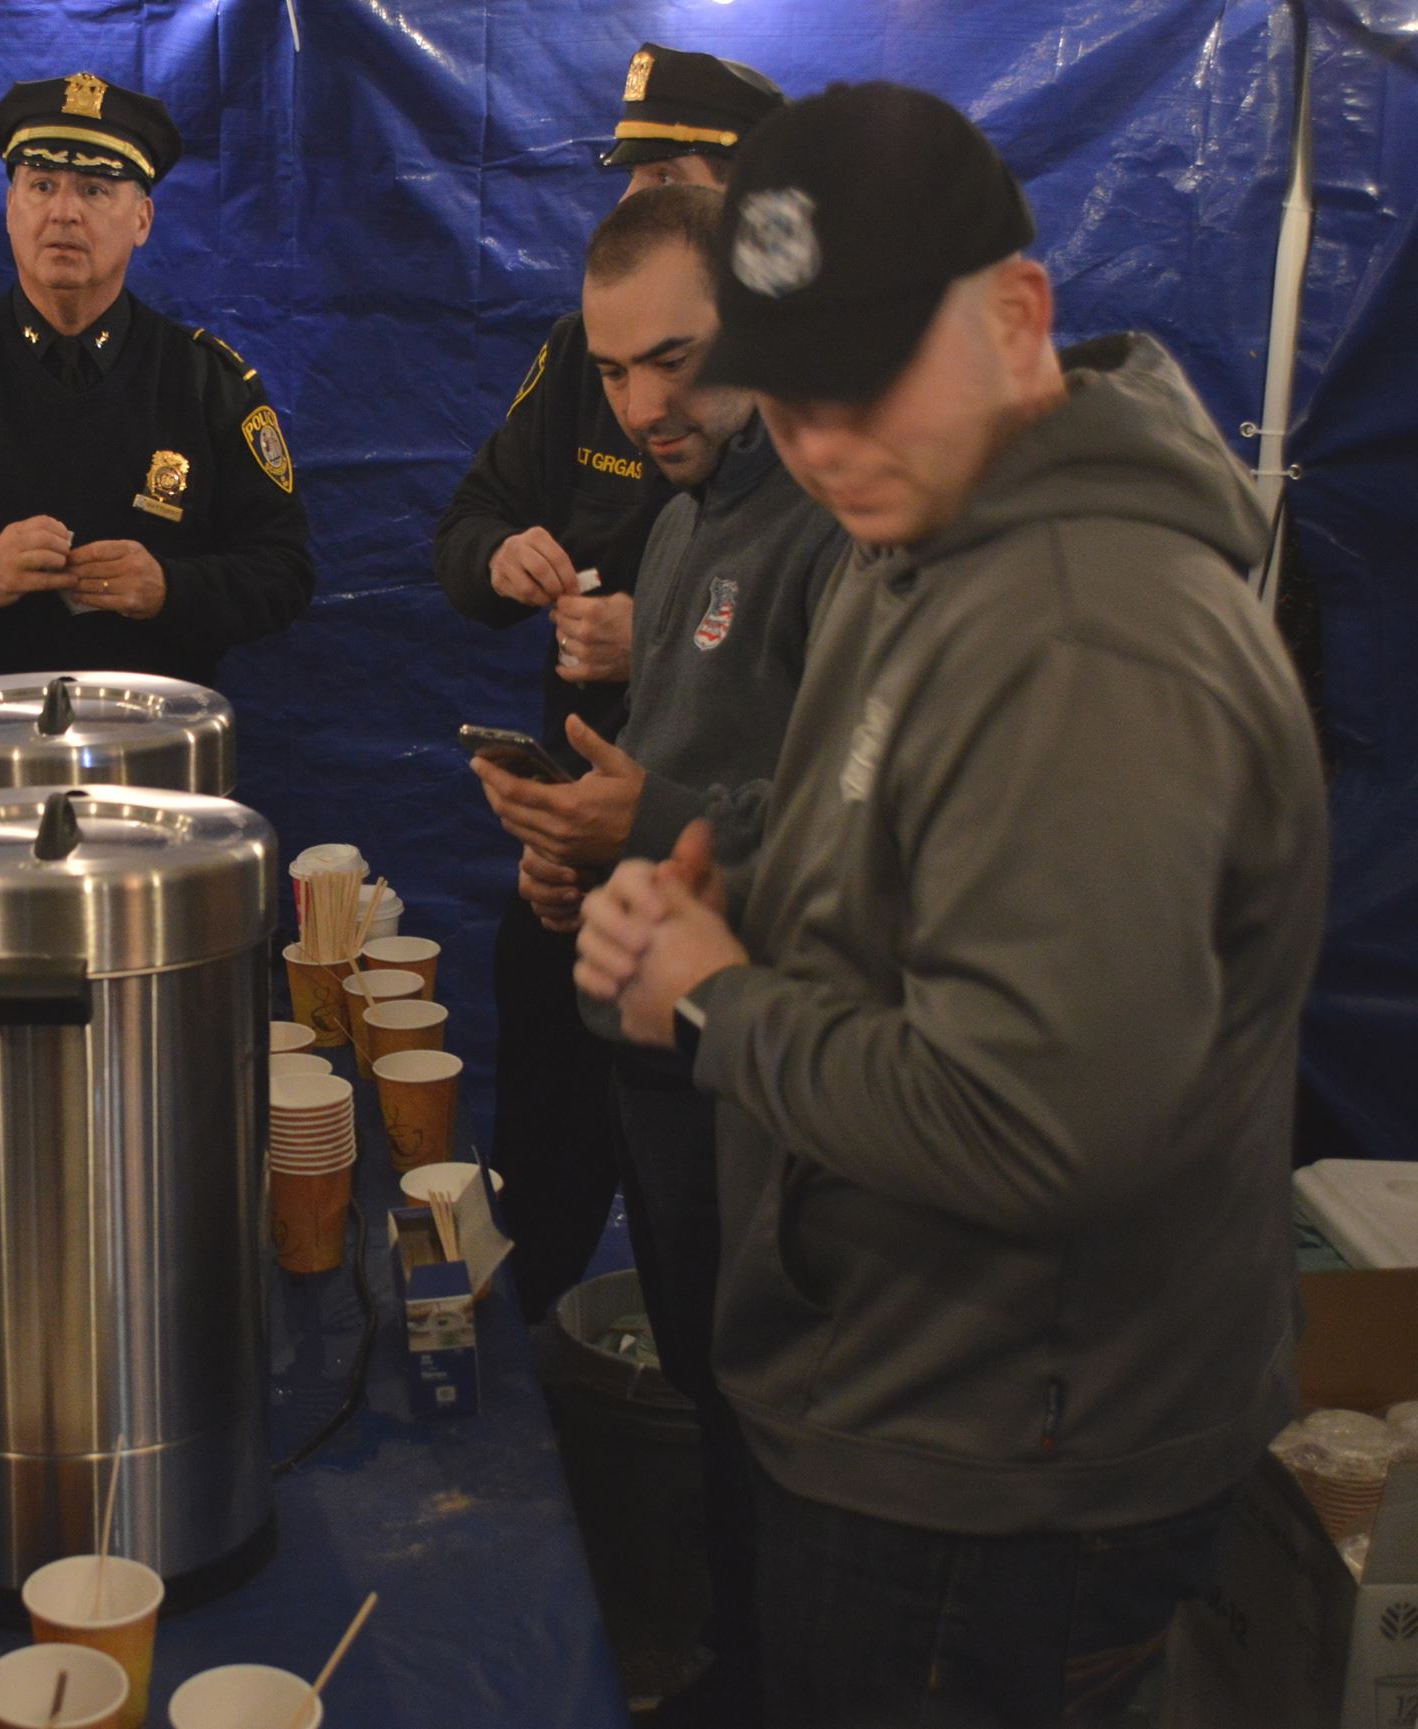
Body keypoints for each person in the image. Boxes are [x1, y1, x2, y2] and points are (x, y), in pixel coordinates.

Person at [574, 84, 1326, 1728]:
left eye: (869, 380)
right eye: (790, 392)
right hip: (914, 1406)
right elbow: (889, 873)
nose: (827, 440)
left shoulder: (1082, 630)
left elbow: (1037, 1123)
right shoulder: (920, 546)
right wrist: (735, 892)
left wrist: (713, 999)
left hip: (1000, 1466)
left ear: (1018, 315)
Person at [472, 182, 845, 1729]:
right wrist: (579, 853)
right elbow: (685, 794)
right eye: (617, 370)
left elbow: (869, 839)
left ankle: (778, 1685)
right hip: (659, 1048)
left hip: (774, 1071)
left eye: (677, 360)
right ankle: (739, 1671)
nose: (644, 405)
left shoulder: (838, 527)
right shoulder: (687, 522)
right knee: (712, 1388)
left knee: (777, 1419)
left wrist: (657, 818)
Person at [433, 44, 784, 1328]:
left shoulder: (816, 476)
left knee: (725, 1276)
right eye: (624, 176)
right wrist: (500, 556)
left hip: (749, 951)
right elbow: (466, 524)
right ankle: (538, 1397)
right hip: (590, 854)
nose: (642, 403)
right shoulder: (584, 360)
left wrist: (665, 642)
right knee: (553, 1156)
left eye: (668, 176)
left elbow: (870, 804)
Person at [0, 72, 314, 696]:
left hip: (151, 741)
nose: (64, 212)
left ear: (143, 219)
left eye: (96, 189)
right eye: (42, 185)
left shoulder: (210, 384)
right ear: (12, 208)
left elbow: (284, 570)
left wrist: (171, 590)